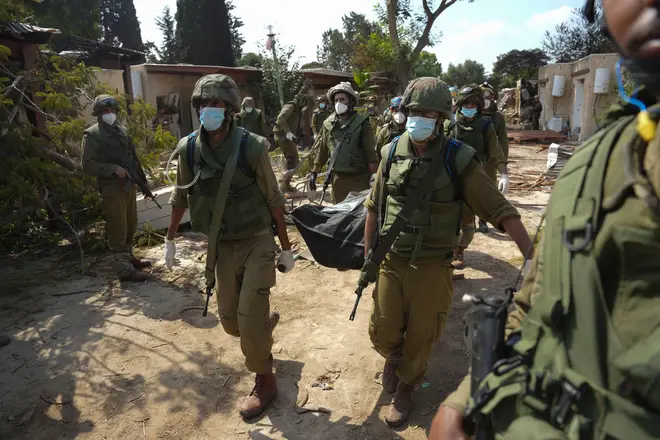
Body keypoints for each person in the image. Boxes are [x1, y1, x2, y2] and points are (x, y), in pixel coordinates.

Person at [429, 0, 660, 438]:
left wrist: (497, 169)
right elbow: (538, 301)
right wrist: (468, 397)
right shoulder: (597, 160)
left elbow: (495, 150)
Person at [364, 77, 533, 428]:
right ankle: (393, 357)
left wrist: (532, 258)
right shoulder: (391, 151)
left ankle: (407, 386)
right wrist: (369, 255)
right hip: (391, 259)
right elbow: (373, 206)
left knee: (423, 333)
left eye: (429, 113)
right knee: (383, 329)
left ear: (441, 117)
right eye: (414, 112)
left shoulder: (458, 158)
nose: (419, 118)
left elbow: (500, 210)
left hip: (432, 264)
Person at [163, 74, 295, 419]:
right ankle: (261, 328)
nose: (210, 110)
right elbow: (180, 195)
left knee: (248, 317)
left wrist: (285, 246)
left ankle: (265, 380)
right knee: (230, 322)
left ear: (231, 110)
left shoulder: (250, 146)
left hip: (256, 239)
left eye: (217, 104)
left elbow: (274, 198)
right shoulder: (190, 149)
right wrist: (170, 238)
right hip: (220, 244)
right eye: (204, 104)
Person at [81, 94, 152, 282]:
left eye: (112, 110)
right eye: (105, 111)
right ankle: (123, 270)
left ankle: (128, 258)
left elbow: (132, 158)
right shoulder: (92, 134)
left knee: (130, 222)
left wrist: (142, 181)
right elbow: (87, 164)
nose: (110, 113)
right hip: (111, 187)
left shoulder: (122, 131)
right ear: (98, 113)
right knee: (117, 225)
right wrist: (113, 169)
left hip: (128, 185)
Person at [445, 84, 509, 269]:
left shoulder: (486, 125)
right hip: (449, 177)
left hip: (472, 178)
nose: (470, 108)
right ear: (459, 104)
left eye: (474, 105)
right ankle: (446, 251)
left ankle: (460, 247)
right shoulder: (449, 124)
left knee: (468, 225)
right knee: (446, 219)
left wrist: (504, 174)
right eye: (467, 104)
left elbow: (496, 150)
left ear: (480, 106)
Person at [310, 82, 379, 204]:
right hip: (337, 180)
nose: (338, 103)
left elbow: (370, 154)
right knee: (339, 214)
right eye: (336, 100)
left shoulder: (362, 123)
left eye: (342, 99)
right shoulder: (328, 124)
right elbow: (323, 152)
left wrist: (376, 177)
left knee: (357, 215)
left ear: (351, 101)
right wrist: (314, 173)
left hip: (359, 179)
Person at [273, 91, 312, 193]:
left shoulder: (297, 109)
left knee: (290, 160)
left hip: (286, 137)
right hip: (282, 136)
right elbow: (280, 118)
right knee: (293, 160)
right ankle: (284, 185)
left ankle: (284, 184)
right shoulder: (291, 106)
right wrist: (288, 132)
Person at [480, 83, 510, 161]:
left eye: (488, 95)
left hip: (490, 158)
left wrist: (503, 161)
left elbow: (503, 140)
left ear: (492, 97)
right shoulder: (471, 113)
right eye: (482, 95)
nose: (485, 98)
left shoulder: (497, 117)